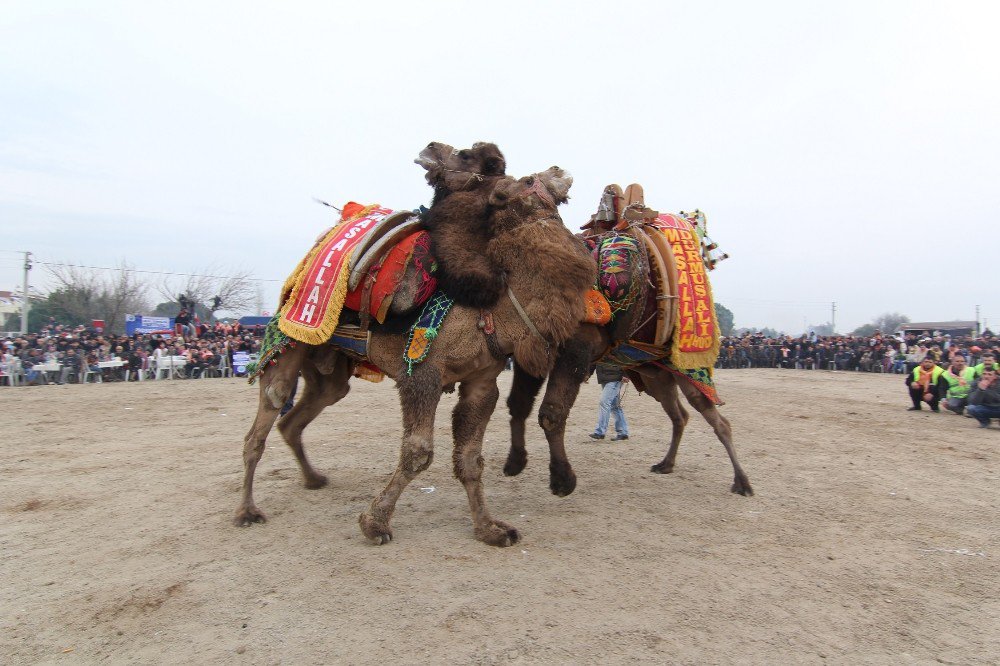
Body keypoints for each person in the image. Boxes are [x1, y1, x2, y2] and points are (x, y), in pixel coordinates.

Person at [589, 365, 630, 441]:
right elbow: (594, 359)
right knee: (615, 406)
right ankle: (623, 432)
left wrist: (626, 374)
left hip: (615, 378)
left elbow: (624, 359)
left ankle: (600, 432)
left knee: (604, 402)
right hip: (605, 378)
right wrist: (587, 374)